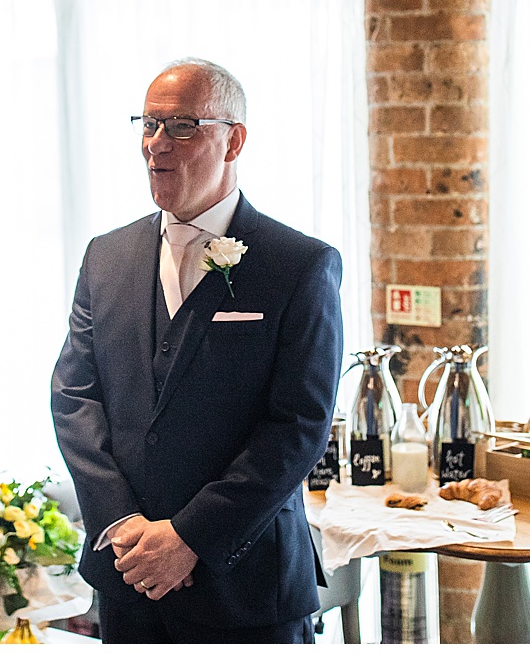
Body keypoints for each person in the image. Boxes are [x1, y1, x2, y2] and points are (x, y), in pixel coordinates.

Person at [49, 58, 342, 643]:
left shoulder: (298, 265)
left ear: (233, 140)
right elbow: (74, 396)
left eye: (182, 126)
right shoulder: (105, 257)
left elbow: (299, 425)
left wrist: (189, 538)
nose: (157, 144)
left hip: (247, 585)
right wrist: (124, 526)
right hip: (129, 580)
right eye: (149, 124)